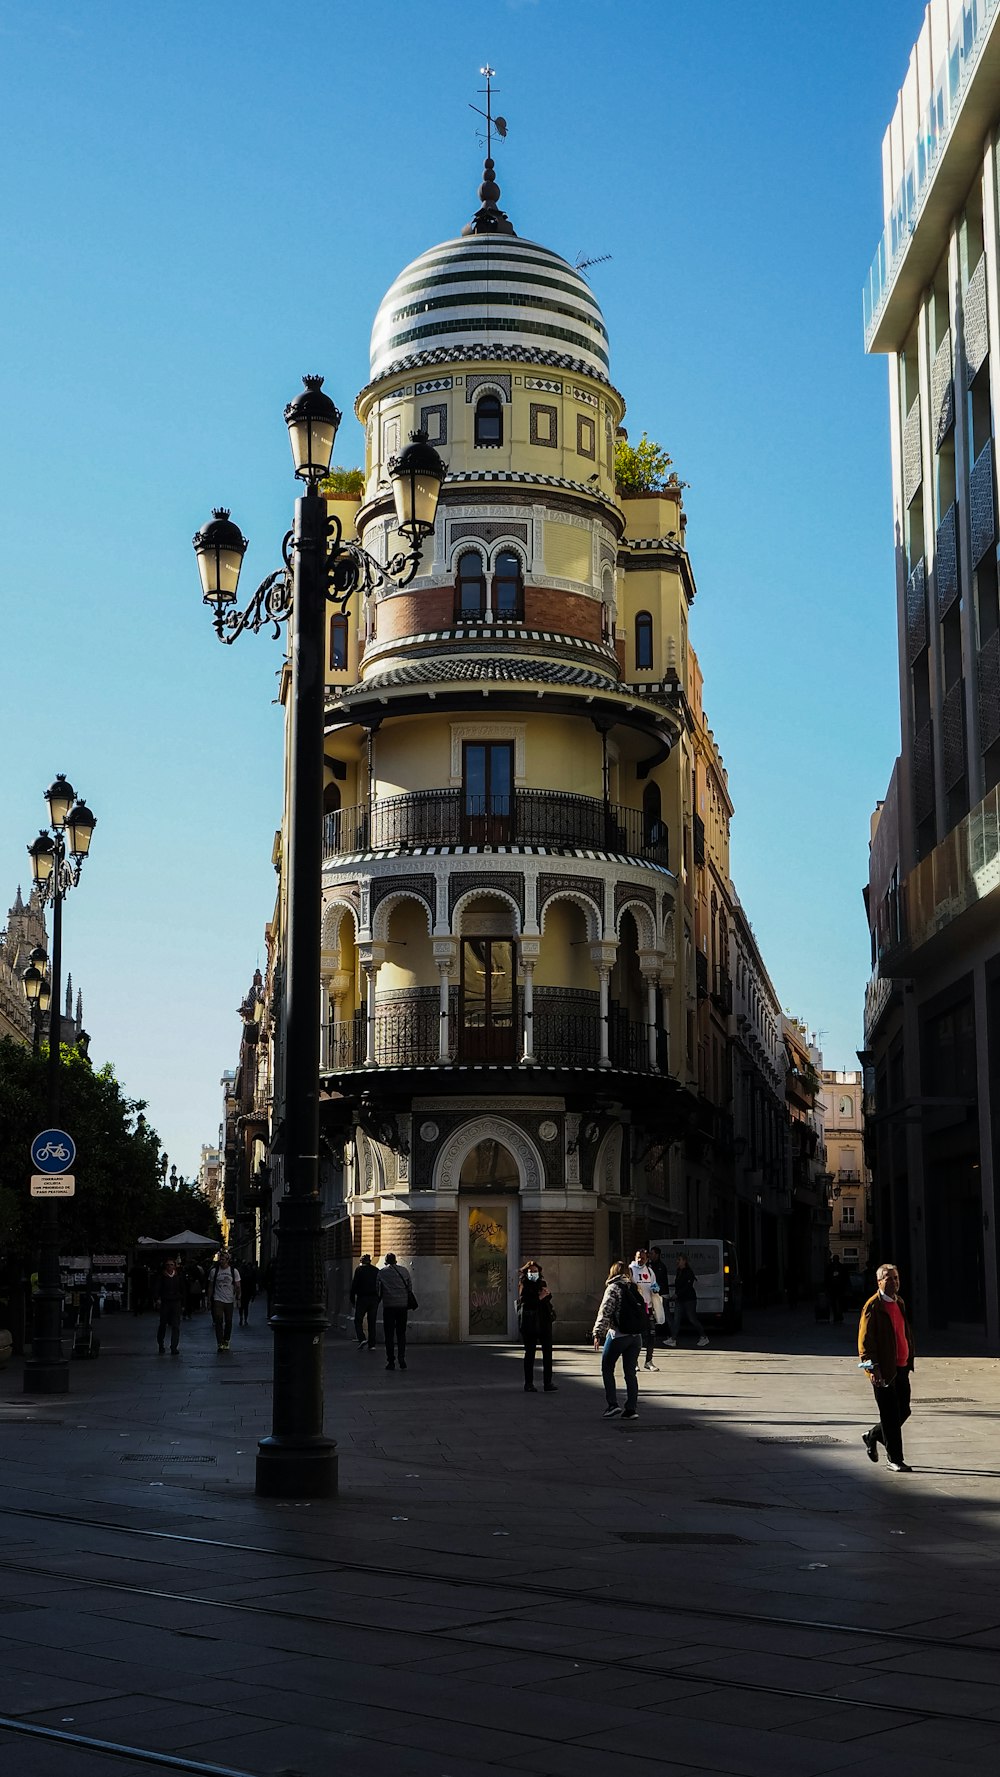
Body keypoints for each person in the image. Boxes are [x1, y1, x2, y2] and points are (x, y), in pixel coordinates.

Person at [859, 1261, 916, 1472]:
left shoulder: (899, 1302)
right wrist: (872, 1369)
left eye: (897, 1278)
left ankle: (873, 1435)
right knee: (890, 1416)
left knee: (904, 1411)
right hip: (883, 1370)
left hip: (901, 1367)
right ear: (879, 1281)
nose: (894, 1282)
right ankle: (895, 1459)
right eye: (889, 1278)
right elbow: (864, 1343)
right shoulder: (873, 1306)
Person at [592, 1260, 648, 1420]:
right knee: (630, 1373)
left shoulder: (613, 1288)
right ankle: (631, 1409)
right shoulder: (633, 1287)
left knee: (607, 1368)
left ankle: (612, 1405)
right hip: (636, 1337)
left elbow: (605, 1311)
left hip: (618, 1335)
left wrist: (597, 1333)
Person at [517, 1257, 556, 1392]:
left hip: (544, 1321)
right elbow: (525, 1301)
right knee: (530, 1353)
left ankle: (548, 1382)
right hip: (530, 1323)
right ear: (526, 1272)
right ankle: (529, 1383)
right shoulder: (524, 1284)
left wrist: (546, 1295)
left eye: (535, 1271)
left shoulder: (542, 1282)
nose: (533, 1273)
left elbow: (547, 1298)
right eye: (531, 1271)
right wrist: (539, 1297)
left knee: (547, 1353)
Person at [378, 1252, 413, 1371]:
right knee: (401, 1333)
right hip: (402, 1306)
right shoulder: (404, 1271)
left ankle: (391, 1361)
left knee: (389, 1334)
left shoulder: (382, 1272)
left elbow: (378, 1290)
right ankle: (402, 1358)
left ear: (386, 1261)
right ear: (396, 1260)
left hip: (389, 1306)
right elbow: (410, 1287)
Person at [665, 1253, 709, 1347]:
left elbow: (687, 1286)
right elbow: (679, 1284)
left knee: (692, 1318)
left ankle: (703, 1336)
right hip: (680, 1299)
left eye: (679, 1260)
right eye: (677, 1260)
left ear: (684, 1261)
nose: (677, 1262)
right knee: (676, 1319)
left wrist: (677, 1294)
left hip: (689, 1299)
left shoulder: (688, 1272)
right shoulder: (679, 1271)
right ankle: (673, 1339)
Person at [629, 1248, 659, 1370]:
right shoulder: (630, 1270)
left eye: (643, 1258)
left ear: (647, 1259)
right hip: (635, 1309)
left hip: (648, 1307)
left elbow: (654, 1285)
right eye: (638, 1257)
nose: (640, 1260)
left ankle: (649, 1361)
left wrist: (656, 1289)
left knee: (651, 1335)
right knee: (636, 1336)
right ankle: (634, 1362)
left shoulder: (650, 1272)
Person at [207, 1250, 241, 1351]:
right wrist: (209, 1299)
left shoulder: (233, 1271)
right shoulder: (214, 1271)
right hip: (218, 1298)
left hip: (229, 1299)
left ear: (227, 1260)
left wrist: (238, 1296)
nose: (221, 1261)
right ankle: (220, 1342)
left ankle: (226, 1340)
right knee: (218, 1320)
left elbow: (238, 1285)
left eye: (223, 1259)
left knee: (229, 1321)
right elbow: (210, 1286)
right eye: (220, 1259)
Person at [154, 1258, 184, 1356]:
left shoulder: (178, 1276)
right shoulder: (162, 1276)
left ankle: (174, 1346)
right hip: (165, 1302)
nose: (169, 1266)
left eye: (171, 1264)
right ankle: (161, 1344)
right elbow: (157, 1288)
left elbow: (183, 1288)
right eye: (167, 1265)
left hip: (176, 1301)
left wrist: (183, 1303)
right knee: (163, 1324)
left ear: (174, 1266)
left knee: (175, 1325)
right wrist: (157, 1298)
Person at [350, 1254, 379, 1350]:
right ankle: (372, 1344)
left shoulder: (359, 1270)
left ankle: (362, 1338)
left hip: (362, 1298)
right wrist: (379, 1298)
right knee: (372, 1322)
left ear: (362, 1261)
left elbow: (354, 1285)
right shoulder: (376, 1271)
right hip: (374, 1298)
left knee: (358, 1320)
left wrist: (352, 1299)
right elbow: (380, 1285)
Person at [826, 1254, 847, 1325]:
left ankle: (838, 1315)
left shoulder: (832, 1267)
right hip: (834, 1288)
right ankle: (837, 1316)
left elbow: (845, 1277)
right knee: (835, 1303)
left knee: (838, 1302)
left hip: (838, 1288)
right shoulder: (833, 1267)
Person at [239, 1259, 259, 1327]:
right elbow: (253, 1284)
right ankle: (245, 1319)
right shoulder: (250, 1275)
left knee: (241, 1306)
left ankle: (241, 1317)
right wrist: (253, 1294)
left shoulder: (240, 1274)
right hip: (247, 1292)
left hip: (242, 1292)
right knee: (246, 1306)